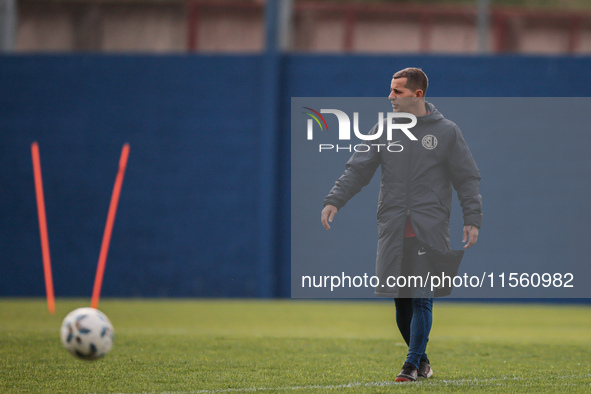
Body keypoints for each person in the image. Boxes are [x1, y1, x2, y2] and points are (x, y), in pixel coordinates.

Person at [320, 68, 482, 382]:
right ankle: (422, 361)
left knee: (421, 295)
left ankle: (409, 366)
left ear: (417, 95)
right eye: (391, 90)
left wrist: (472, 218)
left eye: (398, 91)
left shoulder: (447, 132)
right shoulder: (383, 130)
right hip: (393, 228)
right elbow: (358, 170)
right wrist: (334, 199)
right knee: (402, 300)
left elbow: (467, 179)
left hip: (429, 229)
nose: (390, 97)